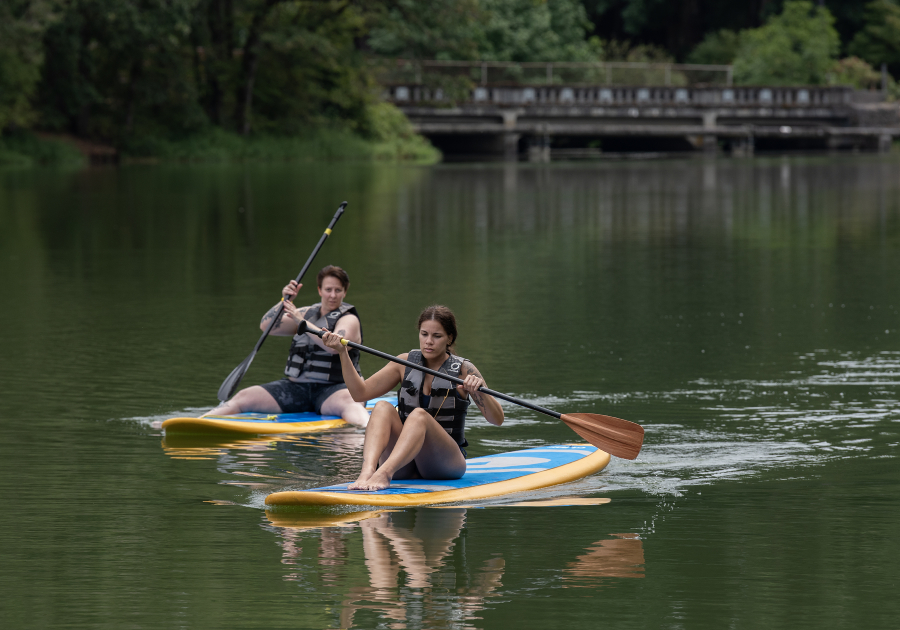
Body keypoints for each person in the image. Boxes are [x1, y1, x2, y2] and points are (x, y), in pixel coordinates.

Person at [321, 305, 504, 490]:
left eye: (437, 336)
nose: (428, 341)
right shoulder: (404, 362)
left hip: (444, 465)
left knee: (419, 415)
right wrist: (342, 353)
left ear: (450, 338)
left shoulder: (464, 370)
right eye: (424, 334)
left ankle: (384, 474)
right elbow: (360, 393)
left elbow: (497, 420)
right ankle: (367, 472)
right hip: (405, 464)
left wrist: (478, 391)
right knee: (382, 406)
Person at [205, 265, 369, 427]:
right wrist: (285, 300)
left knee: (351, 405)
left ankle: (366, 430)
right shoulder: (306, 313)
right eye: (328, 289)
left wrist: (301, 322)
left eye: (338, 290)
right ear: (320, 290)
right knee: (243, 397)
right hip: (296, 389)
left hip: (334, 390)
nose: (332, 295)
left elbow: (334, 347)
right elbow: (266, 326)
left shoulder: (349, 319)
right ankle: (201, 421)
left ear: (345, 292)